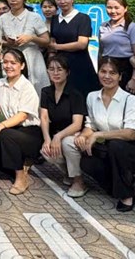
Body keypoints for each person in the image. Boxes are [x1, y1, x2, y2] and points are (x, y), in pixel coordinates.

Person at [64, 57, 135, 210]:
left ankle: (126, 194)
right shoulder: (92, 97)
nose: (107, 76)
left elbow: (131, 133)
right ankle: (111, 183)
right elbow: (91, 125)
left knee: (116, 145)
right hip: (108, 148)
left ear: (120, 76)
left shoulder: (130, 100)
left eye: (112, 73)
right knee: (77, 150)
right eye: (103, 71)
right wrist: (84, 136)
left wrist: (98, 135)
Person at [0, 48, 43, 194]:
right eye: (5, 62)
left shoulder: (27, 87)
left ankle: (20, 177)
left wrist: (0, 126)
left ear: (22, 65)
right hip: (12, 131)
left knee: (5, 134)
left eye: (13, 63)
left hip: (30, 134)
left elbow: (22, 116)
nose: (8, 66)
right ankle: (22, 164)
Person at [39, 55, 87, 186]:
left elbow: (77, 124)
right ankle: (68, 172)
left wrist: (58, 136)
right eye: (51, 69)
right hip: (57, 133)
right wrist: (47, 139)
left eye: (59, 69)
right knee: (46, 151)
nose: (55, 73)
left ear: (67, 72)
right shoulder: (46, 92)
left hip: (75, 134)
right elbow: (44, 117)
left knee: (66, 143)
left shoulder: (75, 94)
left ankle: (78, 179)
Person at [0, 0, 50, 92]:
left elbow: (46, 41)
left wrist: (31, 38)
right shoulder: (3, 18)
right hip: (12, 61)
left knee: (35, 91)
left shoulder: (34, 17)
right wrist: (8, 43)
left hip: (32, 60)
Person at [49, 0, 99, 93]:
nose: (62, 1)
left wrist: (58, 47)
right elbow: (52, 41)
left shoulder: (83, 18)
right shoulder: (54, 19)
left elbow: (82, 44)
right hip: (61, 67)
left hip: (80, 65)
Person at [98, 0, 135, 93]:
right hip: (108, 69)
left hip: (127, 70)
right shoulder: (103, 26)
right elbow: (101, 52)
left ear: (125, 8)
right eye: (109, 7)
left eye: (116, 8)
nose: (113, 11)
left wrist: (134, 79)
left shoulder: (133, 27)